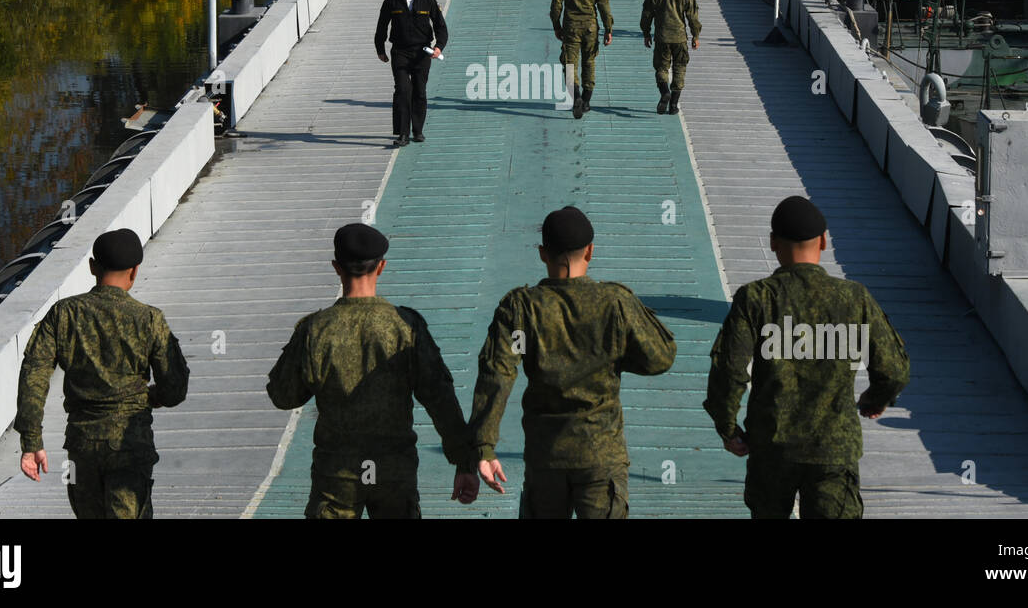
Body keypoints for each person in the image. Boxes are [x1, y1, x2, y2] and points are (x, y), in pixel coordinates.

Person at [704, 196, 910, 519]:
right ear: (824, 241)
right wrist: (874, 399)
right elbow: (894, 370)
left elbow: (729, 371)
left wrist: (728, 428)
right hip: (833, 451)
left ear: (773, 243)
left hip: (772, 449)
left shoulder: (756, 298)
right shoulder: (854, 298)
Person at [469, 206, 676, 518]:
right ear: (590, 251)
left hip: (546, 457)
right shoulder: (614, 302)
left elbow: (498, 373)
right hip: (600, 455)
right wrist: (614, 354)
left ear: (542, 253)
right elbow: (660, 357)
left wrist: (484, 448)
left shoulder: (521, 308)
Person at [267, 223, 479, 518]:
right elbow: (440, 398)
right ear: (381, 267)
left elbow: (282, 396)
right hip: (394, 472)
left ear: (336, 268)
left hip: (336, 477)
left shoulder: (315, 330)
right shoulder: (405, 326)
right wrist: (464, 463)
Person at [14, 228, 189, 519]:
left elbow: (33, 376)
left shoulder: (63, 314)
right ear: (135, 271)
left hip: (82, 446)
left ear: (93, 267)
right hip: (130, 445)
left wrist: (32, 443)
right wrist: (150, 397)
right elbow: (175, 388)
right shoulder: (149, 319)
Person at [374, 0, 448, 147]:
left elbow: (440, 27)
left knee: (419, 91)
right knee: (402, 90)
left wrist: (439, 47)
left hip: (422, 52)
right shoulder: (392, 0)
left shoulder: (427, 0)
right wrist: (380, 49)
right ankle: (403, 134)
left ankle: (418, 130)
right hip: (400, 51)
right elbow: (382, 26)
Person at [550, 0, 612, 118]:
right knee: (589, 62)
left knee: (570, 64)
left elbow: (556, 6)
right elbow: (604, 7)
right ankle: (586, 100)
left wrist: (557, 26)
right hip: (591, 28)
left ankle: (575, 96)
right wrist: (608, 29)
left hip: (571, 27)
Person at [640, 0, 702, 114]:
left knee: (661, 67)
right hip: (680, 37)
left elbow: (647, 13)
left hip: (662, 36)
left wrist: (646, 32)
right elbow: (692, 15)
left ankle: (664, 92)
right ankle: (674, 105)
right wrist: (695, 35)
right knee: (680, 68)